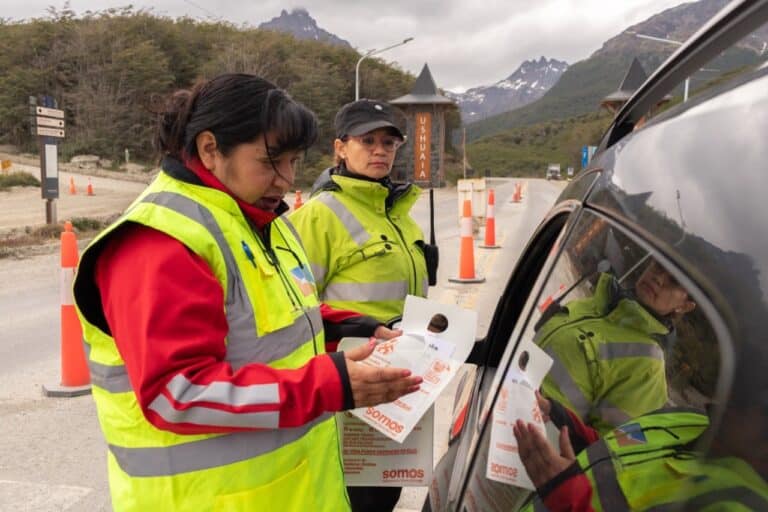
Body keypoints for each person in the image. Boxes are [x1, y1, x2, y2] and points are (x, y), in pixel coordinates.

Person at [72, 74, 422, 511]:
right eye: (272, 161)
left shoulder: (256, 218)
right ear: (210, 150)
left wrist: (355, 328)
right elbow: (177, 393)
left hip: (290, 490)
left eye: (295, 161)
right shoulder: (160, 243)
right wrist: (329, 384)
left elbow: (286, 313)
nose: (286, 179)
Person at [290, 98, 431, 511]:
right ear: (340, 147)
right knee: (353, 499)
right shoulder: (319, 216)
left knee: (385, 494)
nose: (380, 150)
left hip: (399, 383)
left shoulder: (400, 215)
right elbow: (296, 308)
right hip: (347, 390)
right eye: (367, 140)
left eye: (389, 142)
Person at [513, 392, 768, 511]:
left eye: (762, 408)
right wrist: (558, 417)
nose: (743, 400)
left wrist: (571, 499)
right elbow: (614, 448)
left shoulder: (739, 503)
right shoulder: (691, 418)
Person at [536, 259, 696, 433]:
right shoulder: (598, 303)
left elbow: (606, 450)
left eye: (674, 281)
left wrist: (556, 417)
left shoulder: (649, 368)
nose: (658, 278)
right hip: (508, 391)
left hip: (533, 437)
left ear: (684, 306)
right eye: (659, 266)